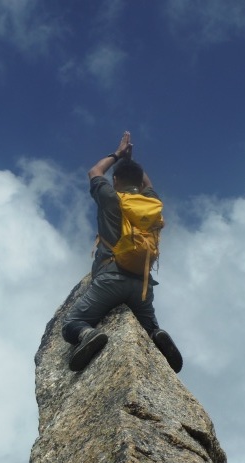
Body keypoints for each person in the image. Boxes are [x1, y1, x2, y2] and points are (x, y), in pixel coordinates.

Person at [62, 131, 182, 373]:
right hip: (142, 284)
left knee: (72, 323)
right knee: (147, 324)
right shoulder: (150, 203)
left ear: (115, 180)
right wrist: (133, 162)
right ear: (139, 181)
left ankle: (89, 335)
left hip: (111, 277)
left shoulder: (110, 197)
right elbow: (148, 184)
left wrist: (118, 154)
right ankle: (155, 333)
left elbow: (94, 172)